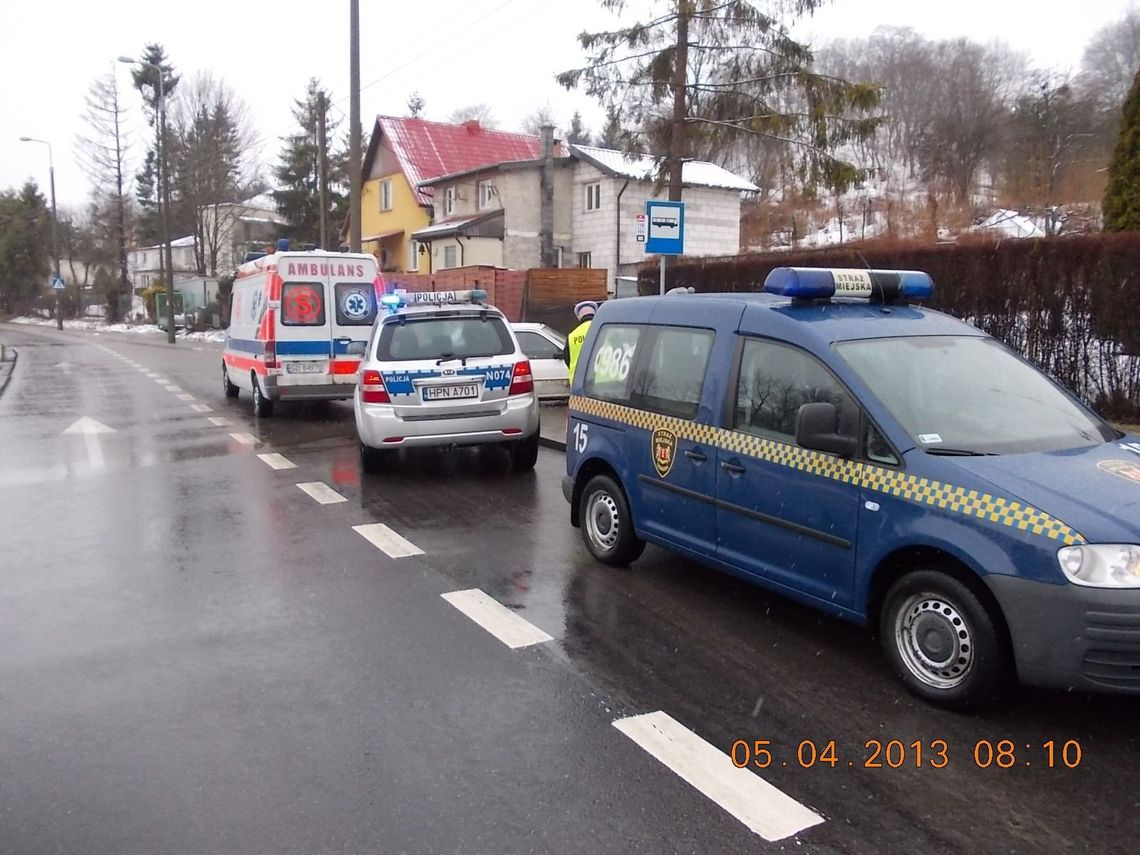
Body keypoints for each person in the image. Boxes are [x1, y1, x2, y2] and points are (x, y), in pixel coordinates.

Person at [563, 300, 597, 382]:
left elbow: (567, 359)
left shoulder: (572, 335)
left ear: (579, 317)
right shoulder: (602, 330)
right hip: (600, 380)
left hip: (578, 382)